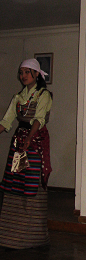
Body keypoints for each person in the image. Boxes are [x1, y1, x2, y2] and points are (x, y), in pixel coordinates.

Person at [0, 59, 52, 249]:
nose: (23, 76)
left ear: (37, 74)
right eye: (21, 72)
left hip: (34, 142)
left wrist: (30, 138)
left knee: (32, 180)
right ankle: (11, 231)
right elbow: (6, 121)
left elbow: (39, 119)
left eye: (27, 72)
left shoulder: (43, 95)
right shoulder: (18, 97)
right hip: (19, 141)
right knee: (15, 180)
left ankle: (31, 234)